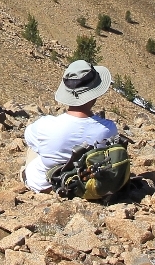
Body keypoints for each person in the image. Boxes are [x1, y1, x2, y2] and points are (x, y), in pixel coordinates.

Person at [23, 60, 119, 192]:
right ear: (95, 93)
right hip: (89, 185)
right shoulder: (109, 129)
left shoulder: (45, 125)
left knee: (36, 146)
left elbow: (28, 137)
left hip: (46, 186)